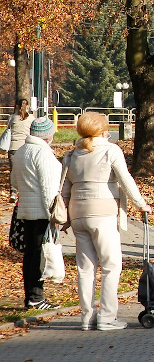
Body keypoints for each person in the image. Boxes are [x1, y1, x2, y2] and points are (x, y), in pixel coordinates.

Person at [61, 111, 150, 331]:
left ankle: (87, 318)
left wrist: (63, 217)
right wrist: (141, 203)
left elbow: (64, 188)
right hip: (103, 212)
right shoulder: (111, 150)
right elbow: (125, 179)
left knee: (85, 268)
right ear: (103, 129)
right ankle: (107, 318)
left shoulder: (72, 155)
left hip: (77, 214)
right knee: (111, 265)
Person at [12, 116, 61, 311]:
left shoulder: (21, 151)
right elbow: (49, 189)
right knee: (40, 256)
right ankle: (36, 297)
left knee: (30, 255)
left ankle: (29, 296)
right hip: (42, 211)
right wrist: (54, 215)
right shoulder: (43, 154)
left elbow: (14, 182)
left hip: (25, 209)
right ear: (47, 135)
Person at [7, 98, 34, 200]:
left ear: (17, 106)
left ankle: (13, 192)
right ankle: (25, 191)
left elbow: (8, 129)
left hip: (13, 146)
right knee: (26, 170)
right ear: (28, 107)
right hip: (26, 147)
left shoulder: (12, 118)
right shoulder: (31, 118)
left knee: (14, 171)